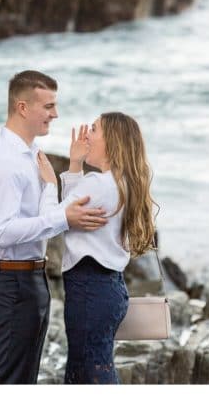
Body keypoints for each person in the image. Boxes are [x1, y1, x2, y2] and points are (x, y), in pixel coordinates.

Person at [0, 70, 108, 384]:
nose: (56, 114)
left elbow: (44, 219)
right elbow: (4, 231)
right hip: (10, 282)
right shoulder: (4, 161)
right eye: (48, 106)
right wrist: (64, 218)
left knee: (25, 380)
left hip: (30, 278)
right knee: (13, 382)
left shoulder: (32, 155)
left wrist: (55, 185)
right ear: (23, 108)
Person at [36, 112, 157, 384]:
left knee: (89, 372)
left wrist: (49, 184)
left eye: (93, 129)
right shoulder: (122, 184)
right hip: (109, 290)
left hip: (89, 290)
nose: (86, 134)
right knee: (92, 366)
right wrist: (76, 164)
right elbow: (73, 208)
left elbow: (53, 220)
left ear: (111, 141)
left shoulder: (99, 184)